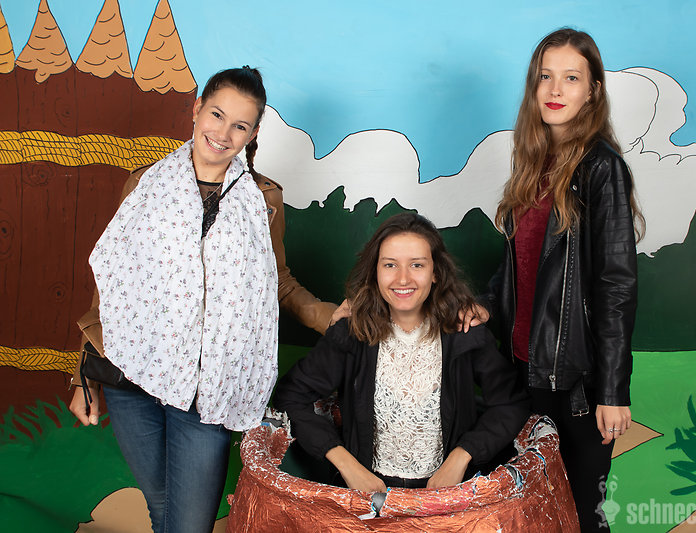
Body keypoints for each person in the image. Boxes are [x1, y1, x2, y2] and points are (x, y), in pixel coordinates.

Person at [67, 66, 325, 533]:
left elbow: (277, 281)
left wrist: (332, 316)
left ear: (253, 133)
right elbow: (114, 280)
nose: (223, 134)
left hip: (209, 387)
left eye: (240, 125)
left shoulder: (264, 199)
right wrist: (82, 376)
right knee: (162, 507)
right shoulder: (145, 183)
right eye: (217, 115)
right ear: (196, 109)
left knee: (188, 524)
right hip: (134, 375)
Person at [475, 28, 641, 531]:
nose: (554, 89)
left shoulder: (602, 168)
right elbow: (520, 268)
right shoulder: (532, 163)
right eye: (545, 76)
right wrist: (484, 305)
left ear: (592, 90)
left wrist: (612, 390)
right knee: (529, 513)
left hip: (576, 381)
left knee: (583, 515)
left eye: (571, 78)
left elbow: (616, 285)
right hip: (523, 369)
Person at [273, 213, 530, 491]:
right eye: (390, 265)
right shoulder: (351, 332)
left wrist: (462, 456)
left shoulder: (465, 332)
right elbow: (291, 396)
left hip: (447, 494)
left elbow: (510, 403)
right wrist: (347, 465)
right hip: (368, 494)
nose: (403, 279)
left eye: (417, 265)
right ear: (375, 272)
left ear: (435, 273)